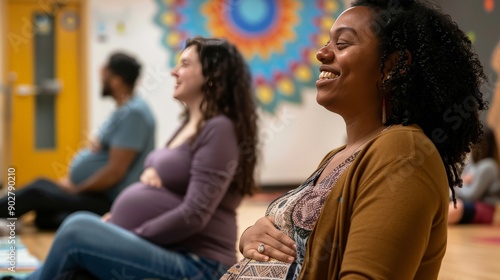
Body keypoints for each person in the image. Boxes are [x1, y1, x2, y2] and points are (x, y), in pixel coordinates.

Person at [222, 0, 487, 279]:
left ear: (394, 66)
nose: (322, 53)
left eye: (343, 44)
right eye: (327, 43)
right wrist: (252, 238)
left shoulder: (404, 151)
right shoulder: (339, 155)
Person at [14, 36, 258, 280]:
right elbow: (175, 178)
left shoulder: (219, 129)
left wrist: (132, 233)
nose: (174, 72)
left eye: (184, 64)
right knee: (76, 273)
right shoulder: (188, 125)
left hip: (199, 264)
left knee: (77, 229)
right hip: (167, 249)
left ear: (212, 75)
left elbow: (194, 214)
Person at [0, 52, 155, 229]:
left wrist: (76, 189)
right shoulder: (124, 111)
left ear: (116, 81)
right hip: (95, 193)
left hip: (108, 199)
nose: (101, 79)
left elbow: (115, 172)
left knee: (38, 192)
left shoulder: (134, 114)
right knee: (44, 201)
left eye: (105, 75)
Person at [448, 126, 500, 224]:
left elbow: (471, 195)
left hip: (484, 208)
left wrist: (460, 184)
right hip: (469, 203)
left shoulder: (489, 166)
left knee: (456, 207)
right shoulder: (474, 165)